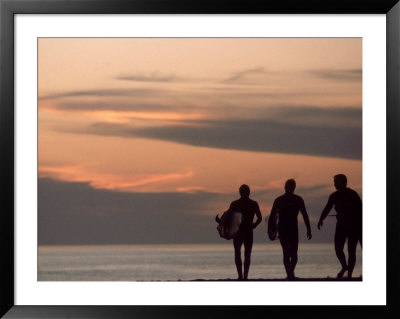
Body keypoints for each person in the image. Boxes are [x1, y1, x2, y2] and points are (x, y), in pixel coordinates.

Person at [317, 174, 362, 279]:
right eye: (334, 182)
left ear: (343, 182)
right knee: (338, 249)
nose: (334, 184)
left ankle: (349, 275)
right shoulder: (334, 196)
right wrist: (320, 219)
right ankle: (344, 266)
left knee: (352, 251)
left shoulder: (353, 194)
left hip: (354, 226)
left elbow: (361, 210)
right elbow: (327, 208)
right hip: (341, 225)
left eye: (336, 182)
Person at [269, 179, 312, 280]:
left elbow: (305, 215)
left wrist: (309, 229)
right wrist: (270, 229)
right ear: (286, 187)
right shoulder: (280, 200)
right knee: (287, 252)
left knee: (293, 254)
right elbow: (272, 216)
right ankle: (290, 275)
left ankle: (290, 274)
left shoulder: (297, 199)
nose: (289, 188)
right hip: (284, 229)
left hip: (291, 229)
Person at [218, 184, 262, 280]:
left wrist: (220, 222)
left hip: (239, 232)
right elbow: (260, 218)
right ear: (249, 192)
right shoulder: (253, 204)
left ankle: (241, 276)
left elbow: (228, 217)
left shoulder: (235, 204)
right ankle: (244, 276)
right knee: (247, 254)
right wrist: (254, 225)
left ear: (240, 192)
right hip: (247, 231)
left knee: (238, 253)